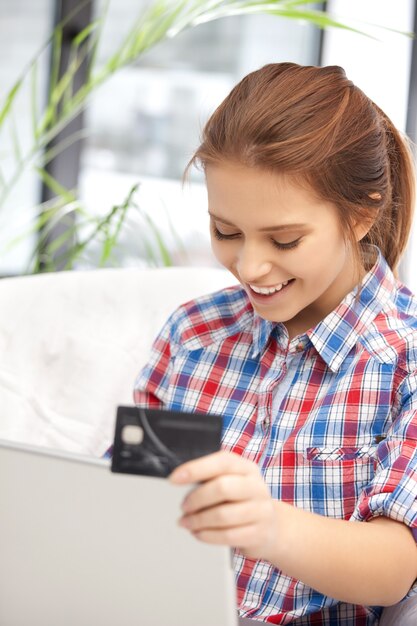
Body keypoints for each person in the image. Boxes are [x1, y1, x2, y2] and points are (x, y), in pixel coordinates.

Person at [111, 63, 417, 624]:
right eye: (226, 232)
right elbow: (123, 510)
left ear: (362, 214)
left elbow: (397, 567)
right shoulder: (193, 335)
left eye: (284, 239)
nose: (249, 266)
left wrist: (270, 527)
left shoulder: (406, 361)